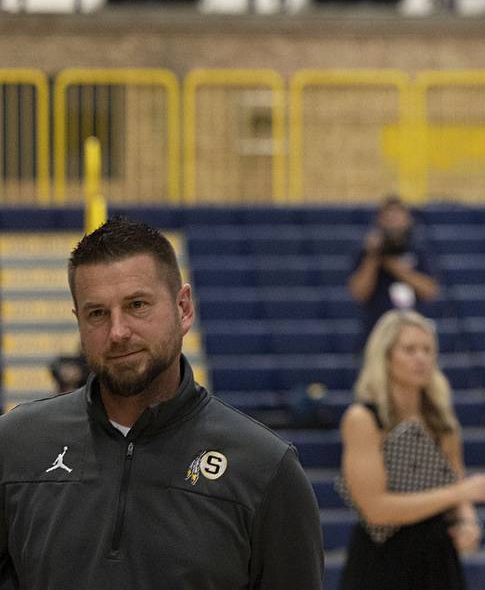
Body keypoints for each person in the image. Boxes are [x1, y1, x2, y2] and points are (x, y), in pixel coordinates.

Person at [0, 217, 324, 589]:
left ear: (183, 308)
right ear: (78, 322)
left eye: (137, 305)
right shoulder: (14, 445)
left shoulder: (265, 468)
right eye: (97, 313)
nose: (118, 332)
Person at [338, 309, 485, 590]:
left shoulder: (441, 419)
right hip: (381, 560)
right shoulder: (363, 419)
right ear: (386, 357)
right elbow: (376, 510)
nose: (421, 358)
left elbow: (456, 485)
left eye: (428, 350)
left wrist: (468, 523)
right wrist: (459, 493)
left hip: (437, 558)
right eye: (410, 350)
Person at [349, 196, 439, 341]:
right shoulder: (367, 253)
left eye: (397, 218)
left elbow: (430, 291)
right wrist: (373, 257)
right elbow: (358, 293)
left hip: (411, 330)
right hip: (377, 331)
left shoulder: (418, 250)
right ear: (379, 221)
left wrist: (393, 265)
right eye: (388, 219)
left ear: (408, 220)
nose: (393, 224)